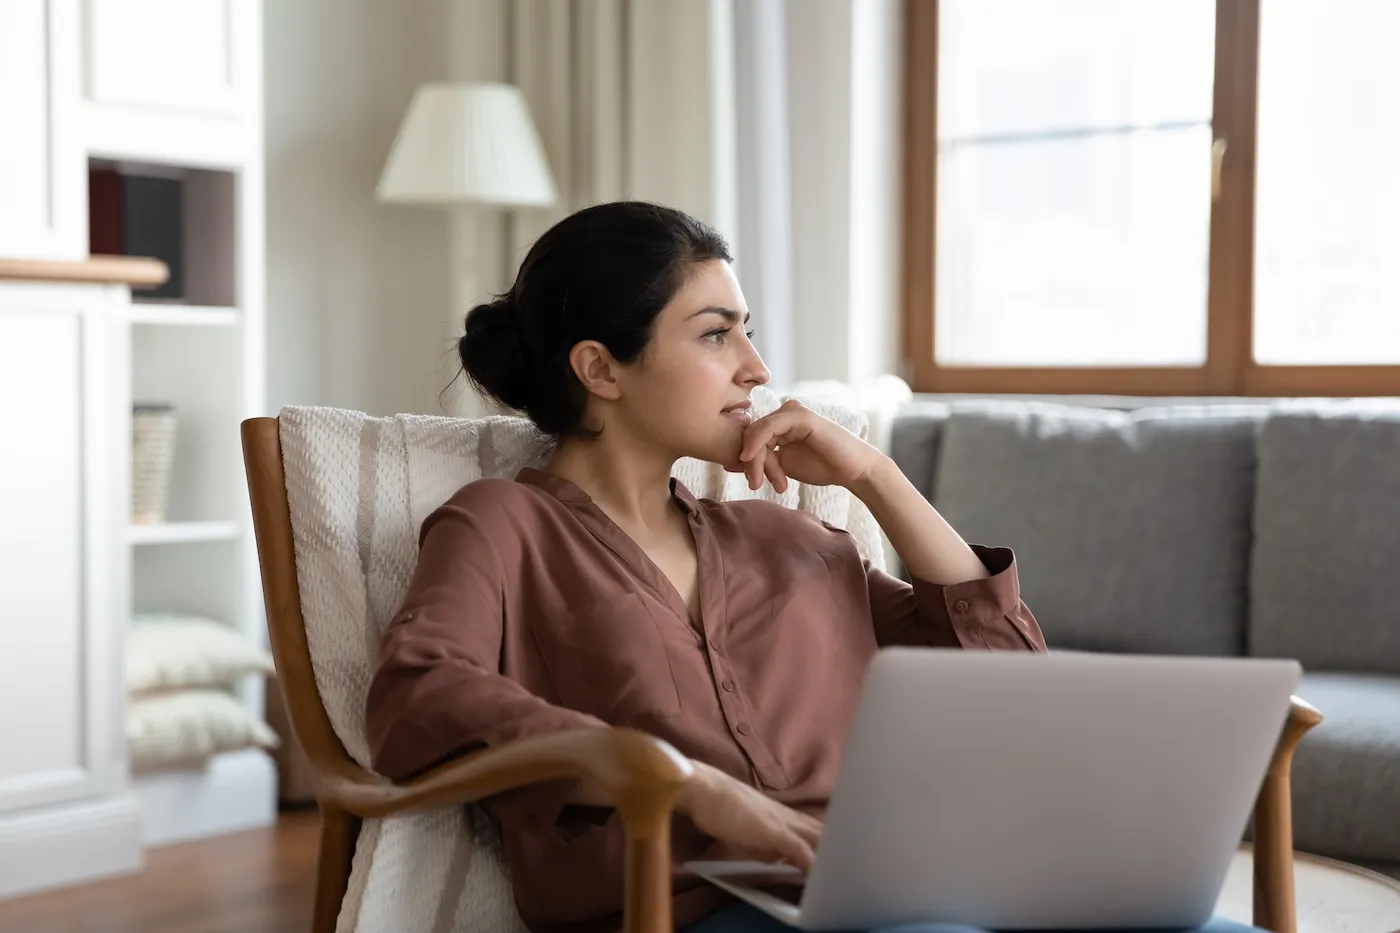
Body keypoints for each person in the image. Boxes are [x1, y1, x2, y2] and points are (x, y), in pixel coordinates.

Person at [363, 202, 1251, 933]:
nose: (757, 368)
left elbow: (1008, 676)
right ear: (601, 367)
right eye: (716, 335)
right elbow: (416, 693)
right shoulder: (503, 525)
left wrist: (874, 474)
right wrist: (689, 783)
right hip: (689, 909)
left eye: (749, 333)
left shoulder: (789, 539)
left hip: (900, 879)